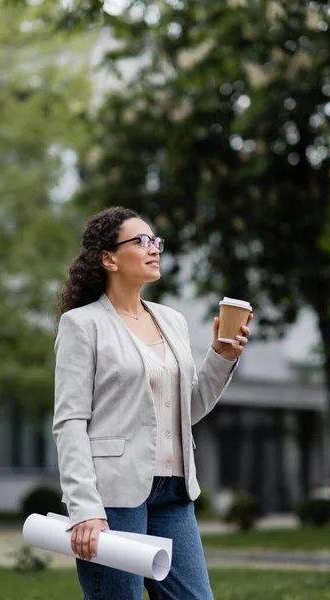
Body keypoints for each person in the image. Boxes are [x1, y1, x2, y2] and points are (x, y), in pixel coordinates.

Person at [53, 206, 252, 600]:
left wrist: (221, 355)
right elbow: (70, 422)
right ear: (109, 258)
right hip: (112, 497)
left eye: (155, 241)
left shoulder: (172, 320)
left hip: (174, 492)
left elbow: (187, 409)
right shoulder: (82, 325)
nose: (154, 248)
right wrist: (86, 509)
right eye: (141, 241)